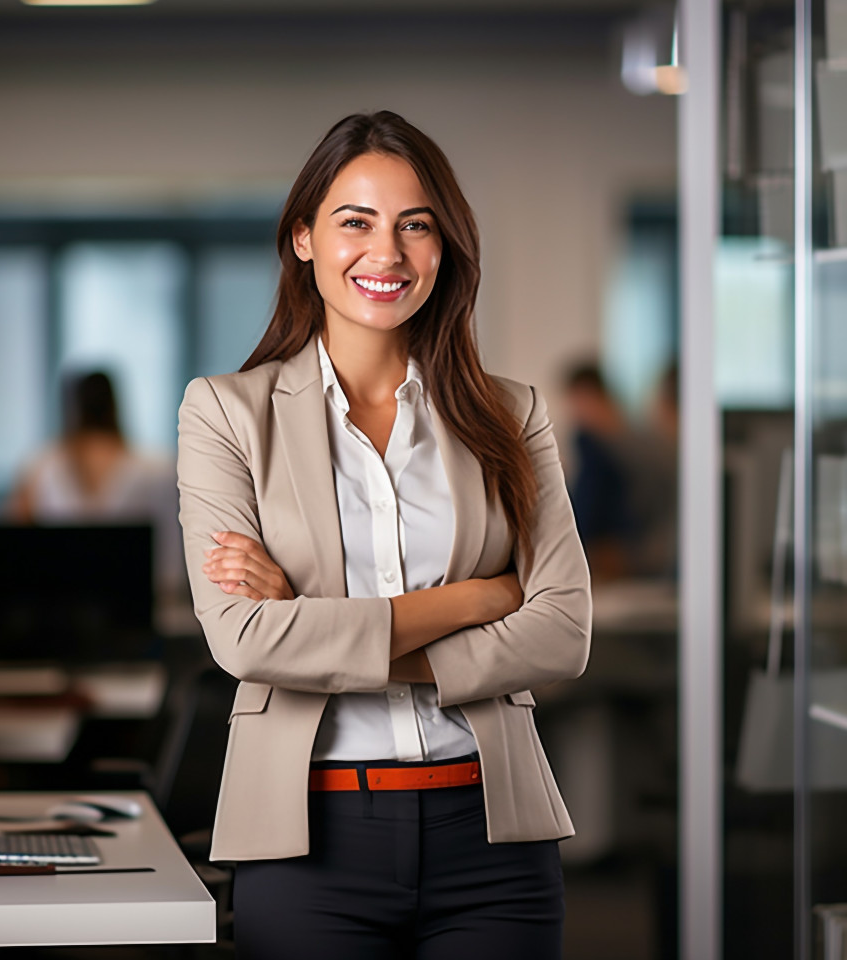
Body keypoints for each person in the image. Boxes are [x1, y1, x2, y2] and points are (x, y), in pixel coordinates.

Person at [177, 111, 592, 959]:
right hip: (306, 832)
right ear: (303, 238)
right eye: (356, 222)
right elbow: (246, 639)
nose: (388, 252)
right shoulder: (226, 413)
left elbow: (563, 631)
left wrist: (314, 623)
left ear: (446, 246)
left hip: (493, 832)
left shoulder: (511, 415)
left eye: (416, 225)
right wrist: (475, 600)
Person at [12, 369, 182, 600]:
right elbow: (173, 558)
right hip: (141, 603)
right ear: (115, 404)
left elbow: (15, 547)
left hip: (58, 604)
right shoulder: (159, 469)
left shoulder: (39, 466)